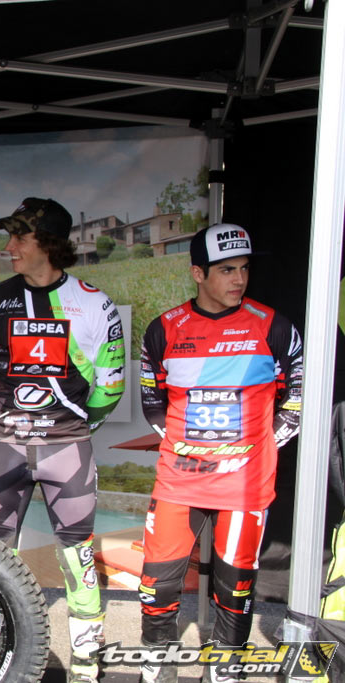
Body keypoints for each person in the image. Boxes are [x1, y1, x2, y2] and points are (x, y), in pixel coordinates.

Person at [0, 198, 125, 683]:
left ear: (49, 243)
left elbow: (111, 385)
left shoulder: (94, 303)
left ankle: (86, 661)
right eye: (10, 236)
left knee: (77, 555)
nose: (10, 246)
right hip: (5, 446)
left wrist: (75, 427)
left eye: (21, 236)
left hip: (66, 447)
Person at [137, 223, 302, 683]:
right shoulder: (164, 329)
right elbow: (153, 402)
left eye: (244, 268)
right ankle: (155, 664)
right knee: (157, 584)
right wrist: (190, 445)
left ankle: (225, 669)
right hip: (180, 477)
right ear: (197, 273)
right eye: (227, 269)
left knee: (235, 587)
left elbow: (296, 400)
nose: (239, 279)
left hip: (243, 482)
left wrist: (255, 447)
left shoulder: (273, 326)